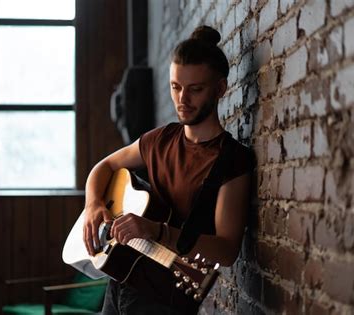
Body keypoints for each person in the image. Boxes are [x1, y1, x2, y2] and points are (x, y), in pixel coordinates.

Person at [82, 25, 253, 315]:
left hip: (164, 302)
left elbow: (226, 249)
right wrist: (93, 204)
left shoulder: (232, 160)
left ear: (220, 89)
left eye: (195, 89)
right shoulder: (160, 139)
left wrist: (155, 230)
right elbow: (105, 166)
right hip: (120, 282)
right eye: (176, 87)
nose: (182, 100)